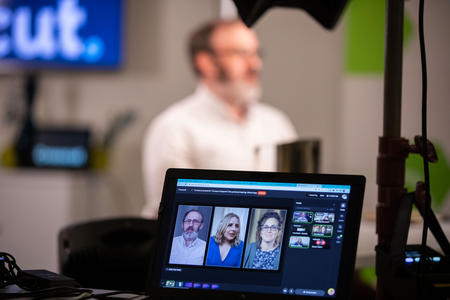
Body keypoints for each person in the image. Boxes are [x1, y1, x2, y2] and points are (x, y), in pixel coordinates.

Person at [141, 19, 298, 218]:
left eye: (256, 53)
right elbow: (172, 214)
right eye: (242, 54)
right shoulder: (174, 127)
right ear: (206, 62)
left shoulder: (276, 123)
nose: (256, 64)